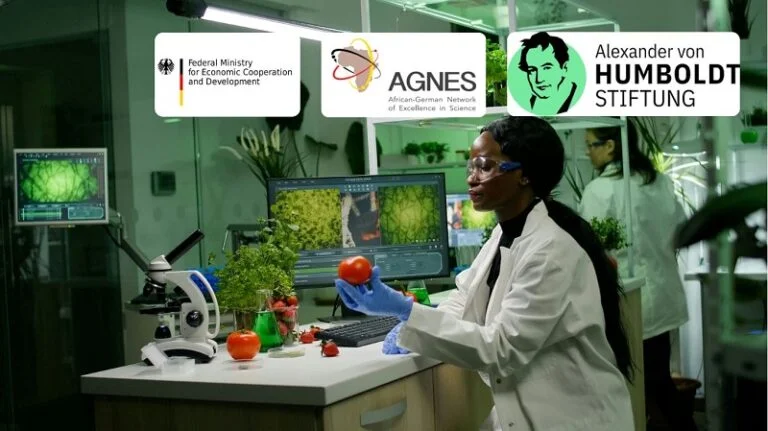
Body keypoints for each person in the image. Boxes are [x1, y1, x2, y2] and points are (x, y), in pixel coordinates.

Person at [335, 116, 635, 430]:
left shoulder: (550, 249)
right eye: (472, 166)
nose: (471, 178)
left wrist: (406, 312)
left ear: (524, 175)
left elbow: (502, 349)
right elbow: (465, 297)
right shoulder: (505, 232)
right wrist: (413, 322)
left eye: (485, 167)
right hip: (527, 412)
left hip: (572, 417)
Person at [579, 119, 695, 430]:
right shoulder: (658, 182)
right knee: (658, 381)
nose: (587, 152)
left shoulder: (599, 190)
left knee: (643, 387)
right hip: (662, 298)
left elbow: (591, 250)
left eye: (590, 145)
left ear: (610, 146)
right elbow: (680, 232)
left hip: (631, 303)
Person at [516, 32, 578, 115]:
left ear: (564, 68)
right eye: (532, 70)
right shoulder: (529, 103)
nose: (539, 79)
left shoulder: (582, 102)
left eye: (547, 68)